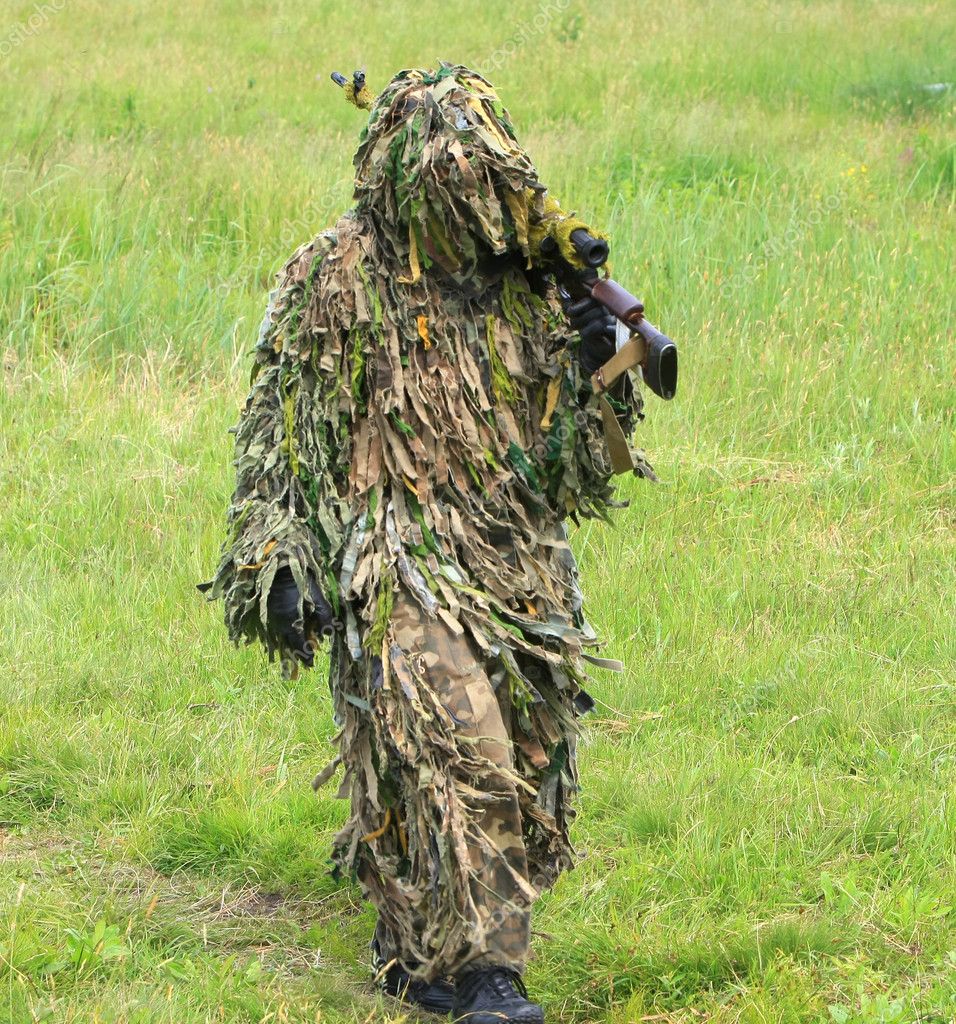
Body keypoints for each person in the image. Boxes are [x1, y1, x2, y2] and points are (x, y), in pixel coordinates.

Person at [202, 63, 655, 1023]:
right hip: (397, 556)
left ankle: (417, 950)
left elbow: (576, 471)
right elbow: (280, 437)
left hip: (518, 562)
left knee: (528, 766)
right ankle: (493, 976)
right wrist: (274, 561)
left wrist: (598, 364)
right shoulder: (334, 279)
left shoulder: (530, 289)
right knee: (459, 744)